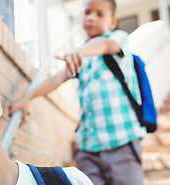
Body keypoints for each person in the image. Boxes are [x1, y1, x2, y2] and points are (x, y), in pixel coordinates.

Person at [9, 0, 145, 184]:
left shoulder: (118, 38)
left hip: (122, 143)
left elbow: (104, 44)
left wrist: (80, 51)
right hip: (89, 149)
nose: (91, 17)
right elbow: (55, 79)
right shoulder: (80, 58)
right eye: (87, 12)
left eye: (99, 14)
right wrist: (26, 98)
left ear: (112, 22)